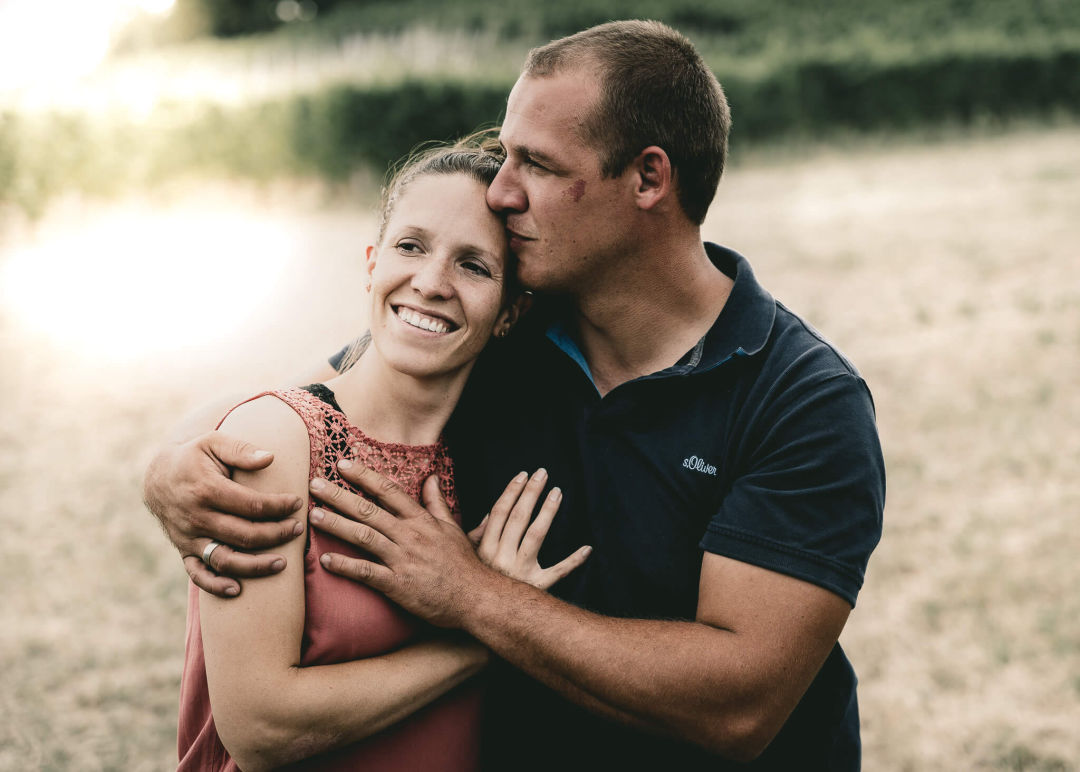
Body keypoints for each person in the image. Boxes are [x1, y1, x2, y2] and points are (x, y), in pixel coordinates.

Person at [145, 20, 885, 771]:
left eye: (534, 163)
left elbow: (738, 705)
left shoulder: (804, 402)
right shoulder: (507, 327)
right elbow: (324, 394)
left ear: (648, 179)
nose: (500, 190)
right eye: (506, 155)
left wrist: (474, 599)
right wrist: (171, 469)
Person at [174, 137, 590, 770]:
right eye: (410, 246)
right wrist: (487, 631)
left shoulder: (486, 453)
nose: (430, 282)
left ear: (510, 312)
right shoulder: (282, 443)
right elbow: (260, 726)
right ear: (372, 263)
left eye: (473, 265)